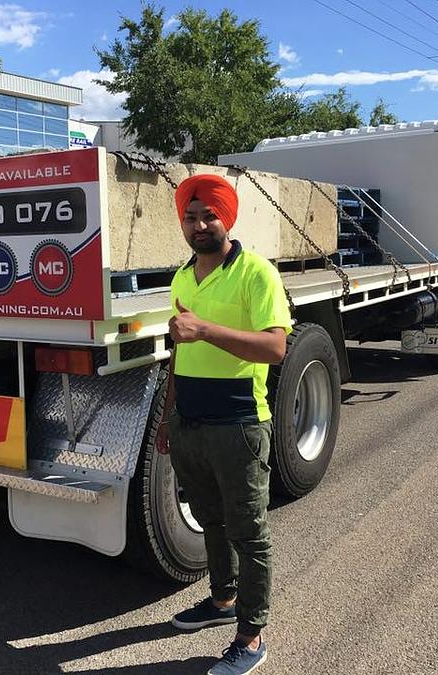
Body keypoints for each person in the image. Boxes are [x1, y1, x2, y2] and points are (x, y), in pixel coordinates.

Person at [156, 173, 292, 675]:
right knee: (212, 521)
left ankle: (252, 638)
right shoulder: (182, 277)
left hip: (238, 424)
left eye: (208, 215)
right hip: (190, 422)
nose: (199, 225)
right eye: (190, 218)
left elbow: (276, 348)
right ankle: (221, 602)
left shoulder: (256, 273)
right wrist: (170, 417)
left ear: (226, 219)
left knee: (249, 532)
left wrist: (206, 329)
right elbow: (179, 353)